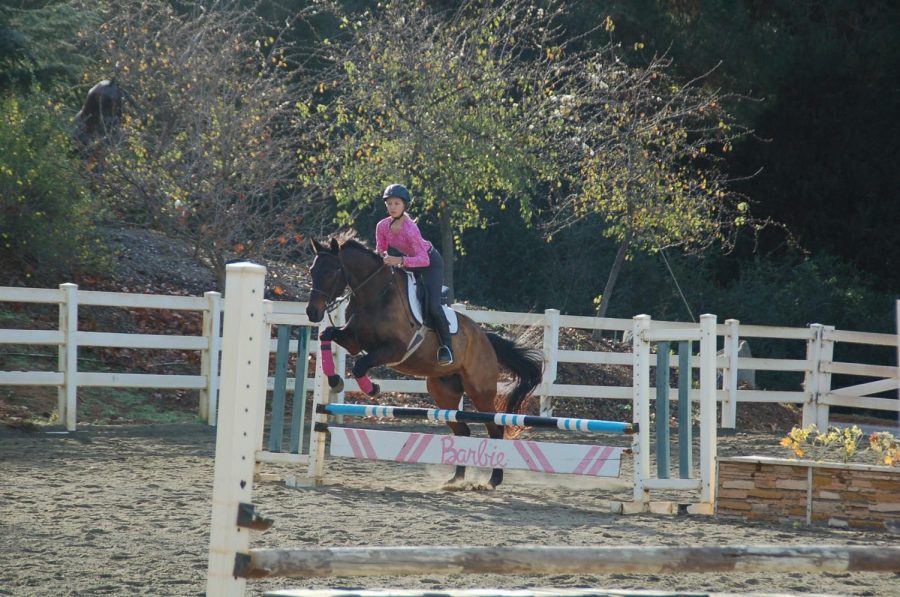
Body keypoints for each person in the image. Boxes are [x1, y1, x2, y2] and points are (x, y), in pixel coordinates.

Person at [375, 183, 454, 365]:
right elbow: (380, 250)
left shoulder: (410, 228)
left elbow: (423, 260)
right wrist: (385, 258)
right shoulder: (382, 226)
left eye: (397, 203)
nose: (392, 207)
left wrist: (399, 260)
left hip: (430, 264)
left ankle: (447, 347)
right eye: (389, 203)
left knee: (433, 306)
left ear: (404, 206)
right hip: (408, 263)